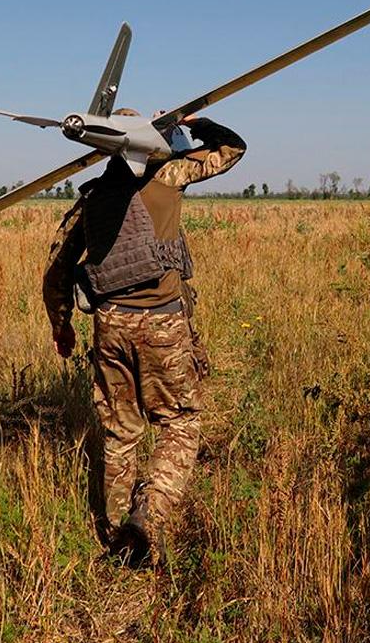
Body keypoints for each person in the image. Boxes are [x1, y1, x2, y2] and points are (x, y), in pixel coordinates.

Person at [42, 109, 246, 567]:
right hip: (163, 325)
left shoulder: (91, 200)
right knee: (180, 423)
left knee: (120, 432)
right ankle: (146, 521)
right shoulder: (170, 175)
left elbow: (56, 271)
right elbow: (232, 149)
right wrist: (198, 122)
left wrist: (62, 326)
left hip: (110, 326)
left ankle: (116, 539)